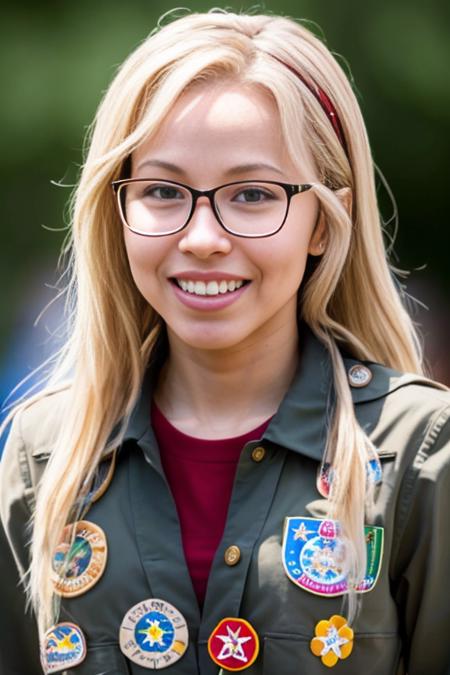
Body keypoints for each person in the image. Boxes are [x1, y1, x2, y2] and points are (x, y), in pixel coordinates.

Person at [0, 9, 449, 675]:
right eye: (161, 190)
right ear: (117, 210)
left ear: (326, 221)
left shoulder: (419, 451)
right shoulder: (43, 454)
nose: (203, 237)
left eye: (252, 195)